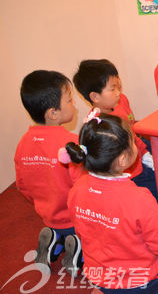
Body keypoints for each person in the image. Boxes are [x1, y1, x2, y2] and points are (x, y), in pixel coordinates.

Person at [65, 114, 158, 292]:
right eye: (134, 142)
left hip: (98, 273)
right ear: (123, 159)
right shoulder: (139, 197)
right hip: (136, 278)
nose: (137, 146)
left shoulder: (76, 189)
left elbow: (82, 231)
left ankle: (104, 288)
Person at [73, 59, 158, 201]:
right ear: (94, 97)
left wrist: (144, 154)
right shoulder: (98, 125)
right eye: (113, 89)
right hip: (125, 164)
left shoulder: (121, 100)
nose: (118, 92)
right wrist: (141, 160)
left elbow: (132, 132)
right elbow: (109, 162)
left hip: (133, 141)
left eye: (118, 86)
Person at [15, 70, 83, 276]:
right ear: (53, 113)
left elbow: (22, 185)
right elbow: (81, 184)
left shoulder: (23, 144)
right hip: (74, 218)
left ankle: (53, 242)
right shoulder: (69, 143)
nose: (75, 105)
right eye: (70, 100)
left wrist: (40, 202)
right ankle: (77, 251)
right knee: (96, 235)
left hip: (47, 214)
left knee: (59, 231)